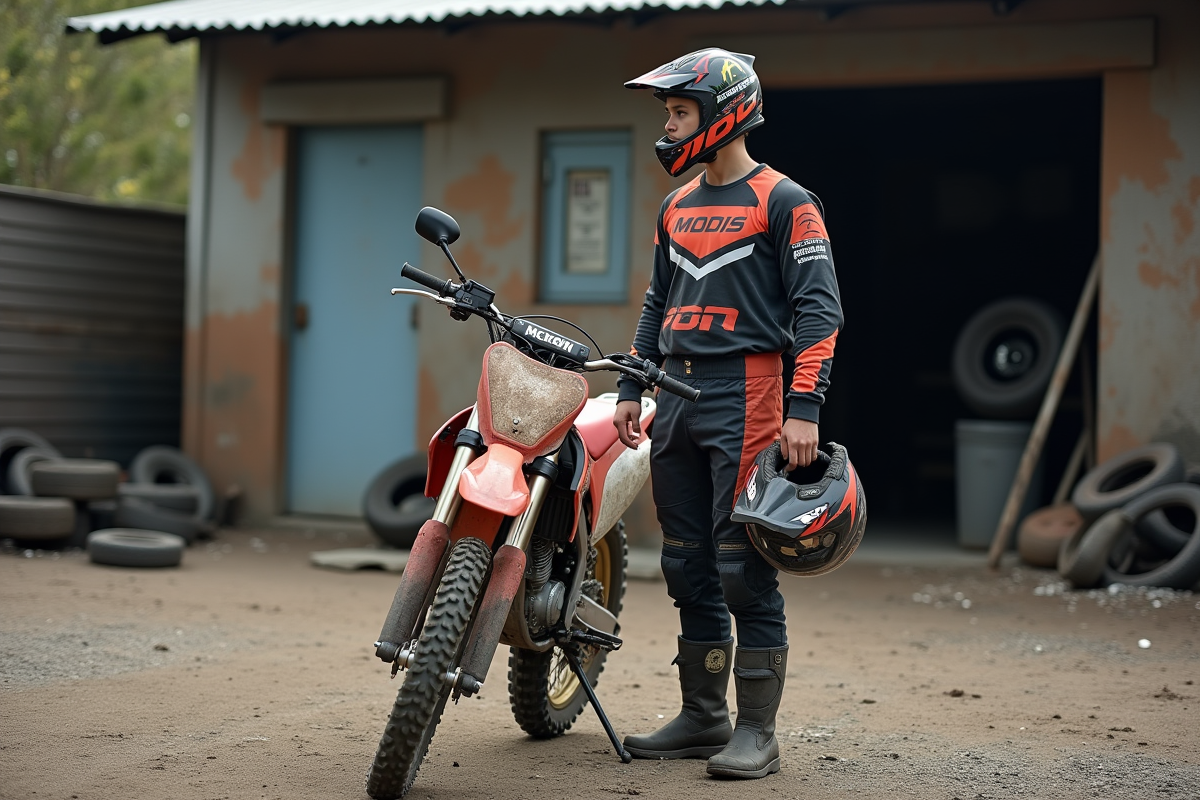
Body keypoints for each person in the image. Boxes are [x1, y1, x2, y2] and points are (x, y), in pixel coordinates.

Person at [613, 48, 844, 779]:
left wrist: (804, 408)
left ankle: (756, 732)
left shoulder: (786, 201)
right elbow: (657, 303)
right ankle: (703, 716)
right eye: (669, 115)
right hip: (673, 397)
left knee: (744, 569)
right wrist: (630, 386)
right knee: (687, 566)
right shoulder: (675, 206)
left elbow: (820, 312)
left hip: (751, 394)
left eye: (680, 112)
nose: (670, 127)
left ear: (726, 113)